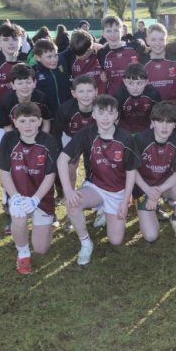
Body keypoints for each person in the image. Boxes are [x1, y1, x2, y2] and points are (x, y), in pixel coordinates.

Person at [57, 94, 140, 265]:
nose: (105, 117)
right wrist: (68, 190)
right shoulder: (86, 133)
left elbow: (131, 171)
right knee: (73, 203)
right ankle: (86, 243)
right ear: (93, 114)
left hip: (117, 192)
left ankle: (104, 209)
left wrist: (125, 201)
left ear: (116, 115)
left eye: (110, 113)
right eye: (101, 113)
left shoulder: (125, 138)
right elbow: (62, 159)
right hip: (95, 187)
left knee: (115, 240)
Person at [0, 102, 59, 274]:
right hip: (19, 194)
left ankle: (44, 225)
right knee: (18, 217)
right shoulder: (8, 139)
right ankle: (23, 254)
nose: (28, 125)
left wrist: (36, 199)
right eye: (23, 121)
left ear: (40, 121)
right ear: (15, 122)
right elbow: (4, 173)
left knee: (41, 249)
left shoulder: (48, 140)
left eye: (32, 120)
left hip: (41, 197)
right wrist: (15, 197)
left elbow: (50, 175)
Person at [134, 101, 176, 242]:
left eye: (169, 122)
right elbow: (132, 170)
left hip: (164, 185)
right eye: (160, 121)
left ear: (174, 125)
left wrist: (157, 192)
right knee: (151, 236)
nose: (164, 126)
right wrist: (148, 191)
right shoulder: (140, 139)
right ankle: (144, 206)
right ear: (152, 123)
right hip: (144, 187)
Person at [51, 75, 97, 209]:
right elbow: (56, 132)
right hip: (71, 138)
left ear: (96, 91)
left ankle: (95, 195)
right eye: (81, 91)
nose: (86, 95)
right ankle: (70, 198)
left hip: (94, 139)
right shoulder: (66, 109)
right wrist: (60, 151)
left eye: (89, 91)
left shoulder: (101, 107)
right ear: (74, 93)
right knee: (70, 167)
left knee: (97, 166)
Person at [97, 15, 146, 96]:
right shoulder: (101, 53)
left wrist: (142, 42)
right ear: (103, 34)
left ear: (122, 32)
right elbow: (103, 72)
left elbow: (142, 44)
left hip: (134, 96)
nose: (113, 34)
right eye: (108, 31)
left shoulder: (134, 47)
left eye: (116, 30)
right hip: (113, 97)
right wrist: (103, 75)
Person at [0, 64, 52, 133]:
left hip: (39, 133)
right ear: (13, 85)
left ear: (34, 83)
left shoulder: (42, 98)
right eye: (19, 83)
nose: (25, 87)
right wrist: (15, 139)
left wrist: (42, 139)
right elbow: (7, 126)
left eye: (28, 82)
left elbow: (46, 123)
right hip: (16, 134)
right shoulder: (7, 101)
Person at [116, 63, 160, 134]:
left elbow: (159, 115)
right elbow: (115, 118)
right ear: (124, 82)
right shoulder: (119, 95)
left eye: (139, 83)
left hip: (147, 131)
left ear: (146, 82)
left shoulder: (153, 94)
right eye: (130, 83)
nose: (135, 88)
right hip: (125, 132)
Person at [142, 23, 176, 103]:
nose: (157, 43)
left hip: (173, 106)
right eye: (153, 40)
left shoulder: (174, 59)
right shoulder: (142, 62)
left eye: (161, 39)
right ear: (147, 40)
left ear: (167, 40)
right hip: (151, 107)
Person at [59, 29, 105, 94]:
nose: (78, 57)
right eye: (76, 54)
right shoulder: (68, 56)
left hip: (100, 96)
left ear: (90, 49)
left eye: (81, 55)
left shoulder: (102, 52)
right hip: (83, 96)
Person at [32, 39, 72, 113]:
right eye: (49, 57)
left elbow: (73, 47)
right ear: (38, 58)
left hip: (67, 111)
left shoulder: (62, 60)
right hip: (48, 115)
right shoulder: (34, 73)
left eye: (56, 55)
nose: (54, 60)